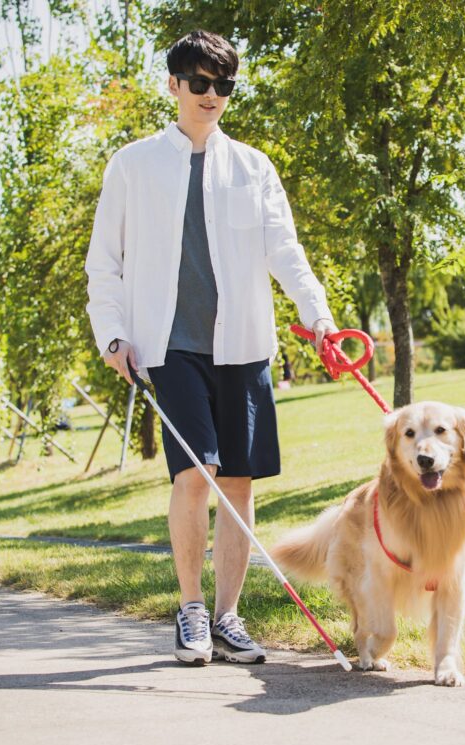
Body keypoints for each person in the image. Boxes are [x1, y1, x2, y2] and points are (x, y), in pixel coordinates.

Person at [83, 30, 337, 665]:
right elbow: (103, 264)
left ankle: (228, 616)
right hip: (169, 346)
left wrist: (318, 314)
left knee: (240, 483)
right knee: (197, 476)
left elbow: (285, 249)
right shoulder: (132, 166)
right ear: (173, 85)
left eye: (223, 86)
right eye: (200, 83)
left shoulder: (253, 167)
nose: (212, 96)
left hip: (244, 344)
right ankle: (191, 609)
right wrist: (111, 333)